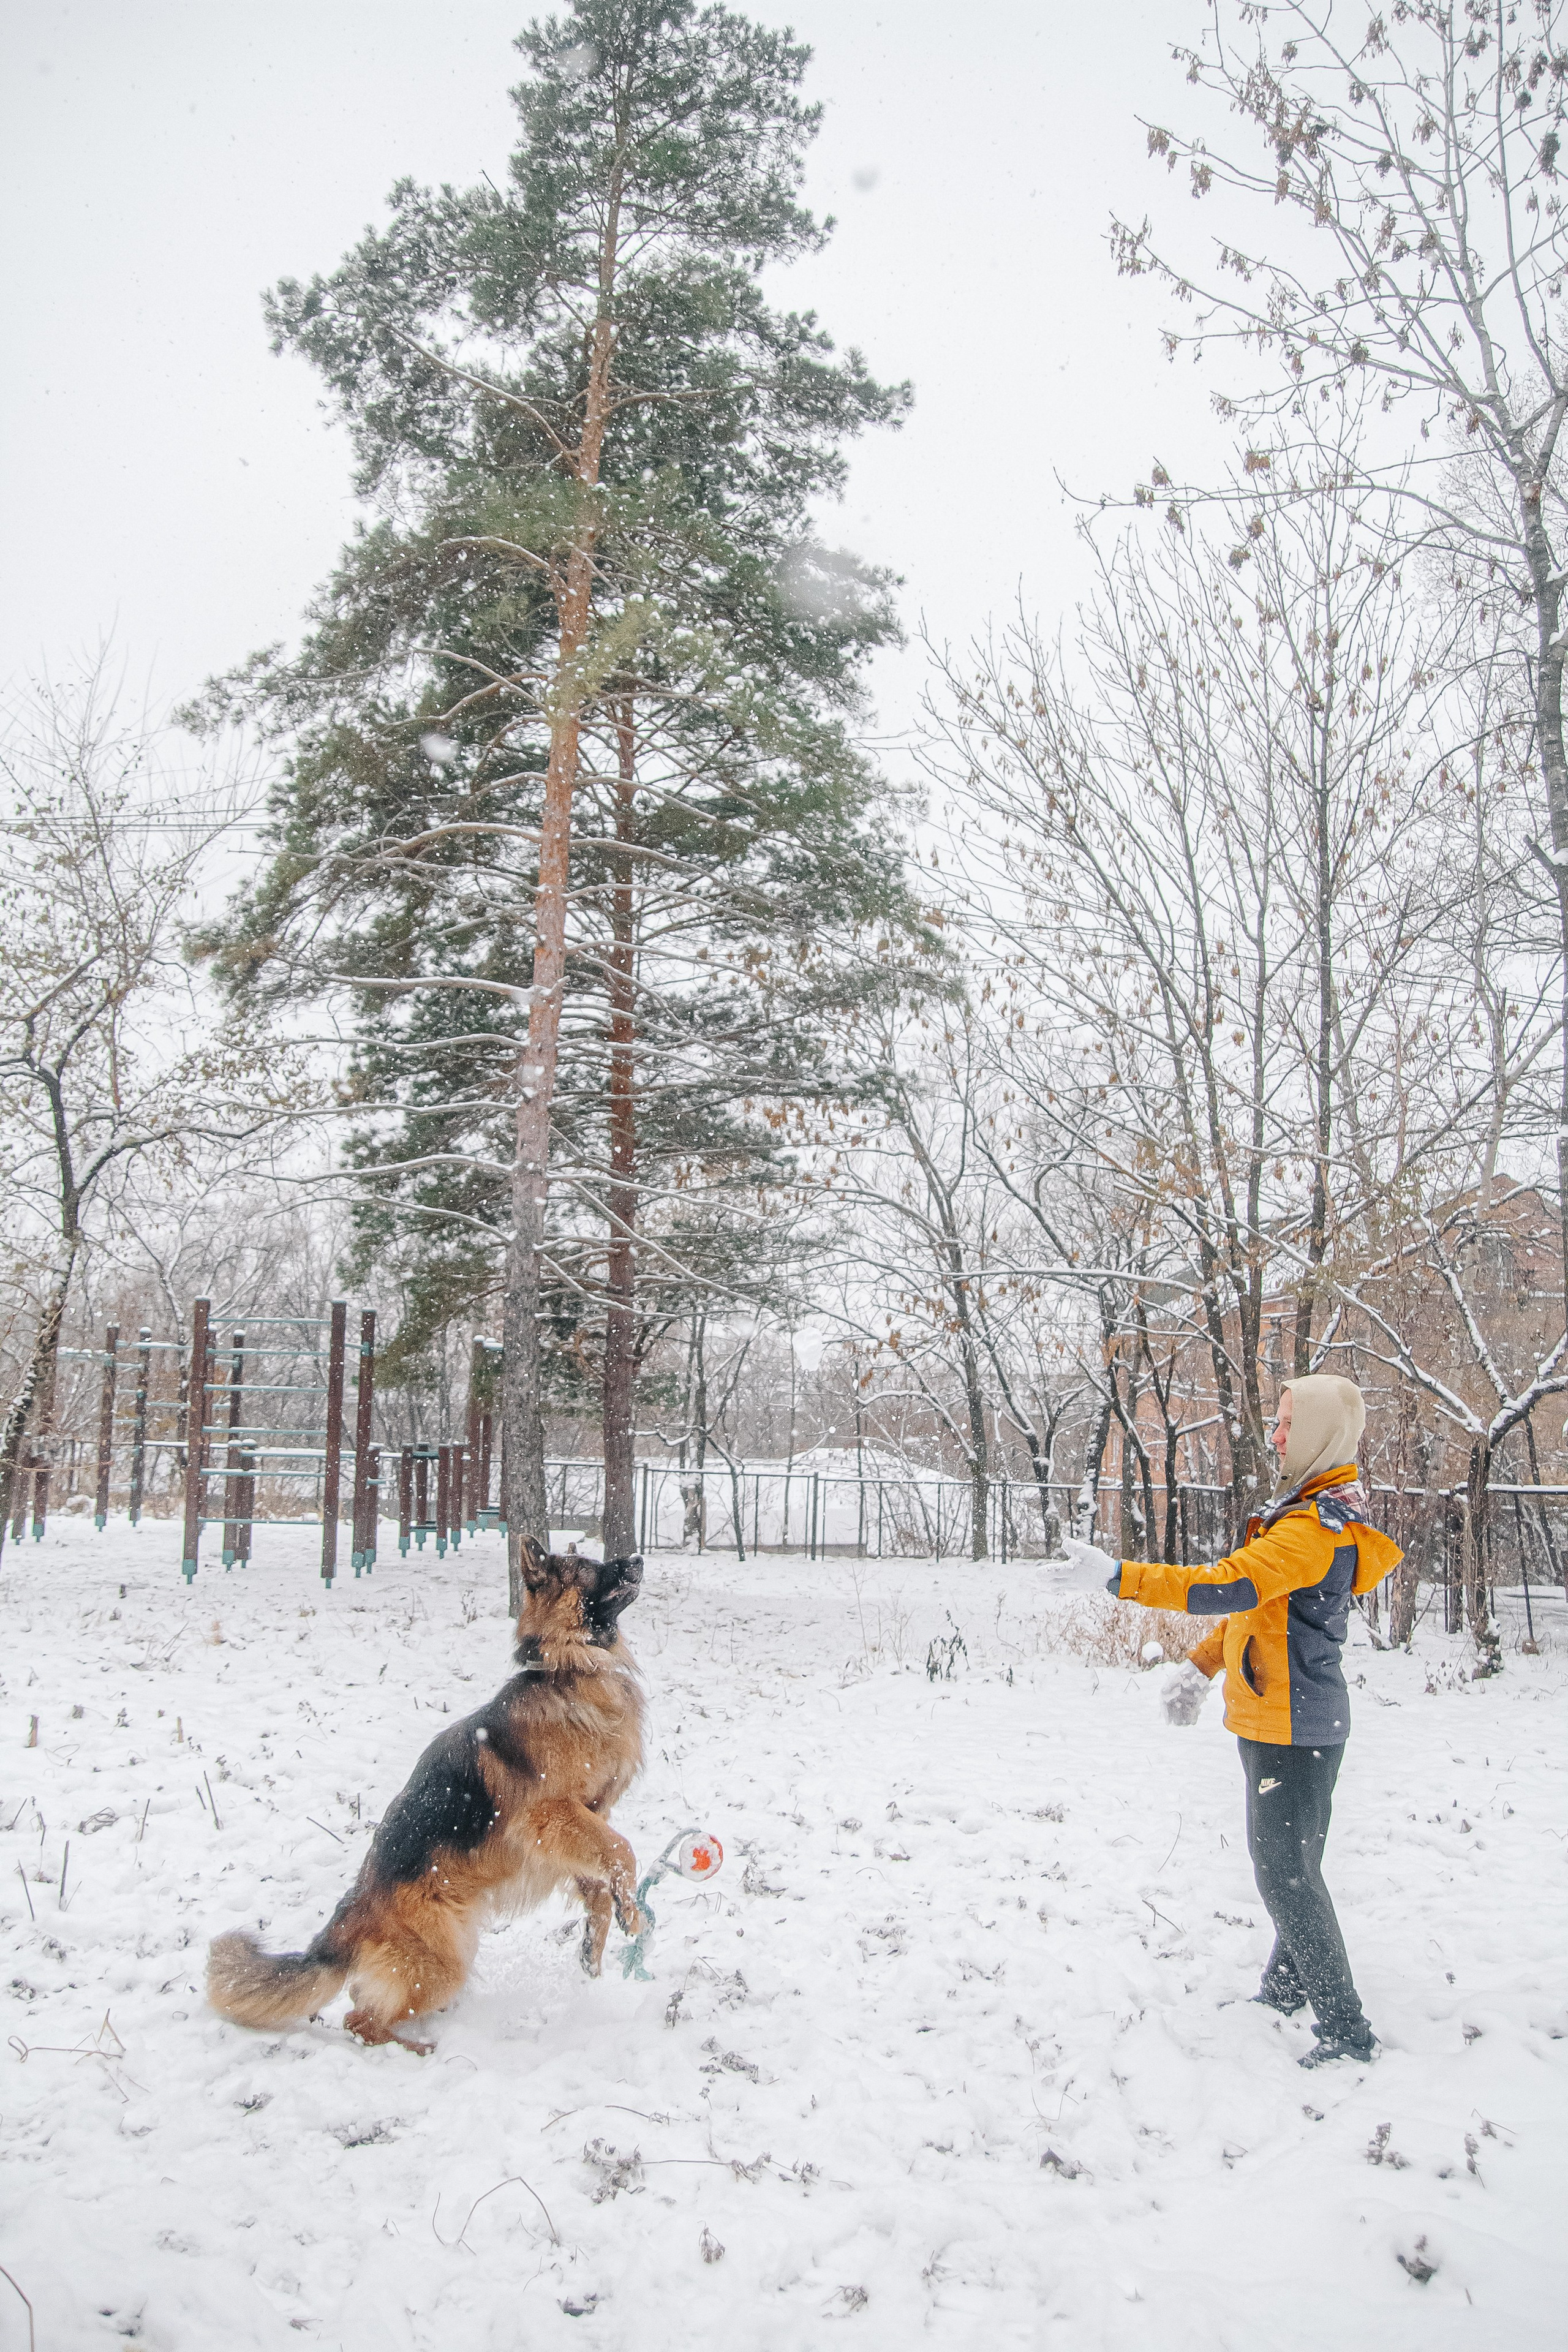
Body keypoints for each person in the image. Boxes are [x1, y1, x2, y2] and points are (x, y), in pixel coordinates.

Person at [1057, 1374, 1402, 2068]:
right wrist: (1202, 1665)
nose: (1274, 1435)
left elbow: (1226, 1585)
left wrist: (1118, 1576)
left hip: (1293, 1727)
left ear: (1316, 1435)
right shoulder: (1306, 1513)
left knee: (1286, 1875)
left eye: (1283, 1424)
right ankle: (1283, 1990)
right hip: (1281, 1718)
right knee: (1291, 1867)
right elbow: (1261, 1611)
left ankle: (1345, 2031)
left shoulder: (1311, 1529)